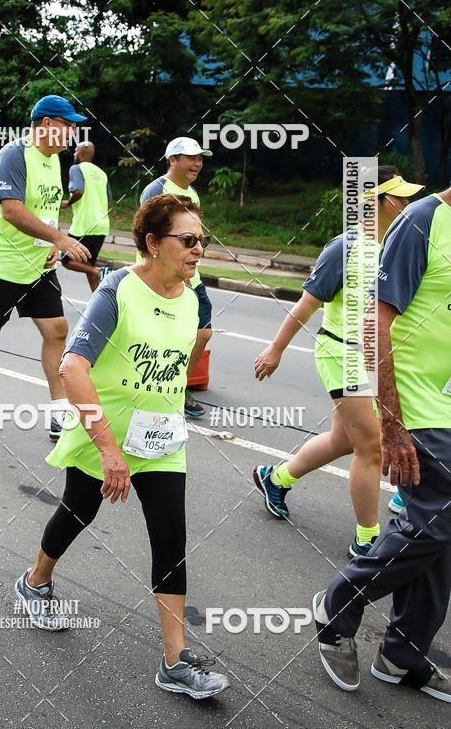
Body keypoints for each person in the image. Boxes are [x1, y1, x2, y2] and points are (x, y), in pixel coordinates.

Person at [14, 195, 230, 700]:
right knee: (78, 510)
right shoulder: (117, 290)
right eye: (188, 240)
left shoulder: (194, 294)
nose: (199, 249)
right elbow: (72, 367)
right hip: (102, 431)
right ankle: (35, 581)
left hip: (159, 438)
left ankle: (175, 660)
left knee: (171, 534)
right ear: (153, 244)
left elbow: (191, 351)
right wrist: (109, 448)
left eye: (202, 240)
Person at [313, 180, 451, 703]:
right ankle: (339, 603)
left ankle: (403, 652)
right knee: (435, 521)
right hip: (417, 404)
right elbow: (376, 323)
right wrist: (391, 421)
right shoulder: (422, 222)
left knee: (440, 530)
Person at [253, 167, 423, 557]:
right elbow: (306, 304)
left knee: (342, 441)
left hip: (377, 359)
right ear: (373, 203)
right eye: (400, 197)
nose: (408, 204)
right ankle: (367, 539)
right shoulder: (344, 248)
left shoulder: (401, 245)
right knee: (373, 446)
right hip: (341, 354)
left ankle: (274, 478)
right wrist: (276, 349)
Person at [0, 95, 91, 439]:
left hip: (40, 267)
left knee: (57, 330)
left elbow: (48, 209)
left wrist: (53, 244)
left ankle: (58, 414)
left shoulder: (55, 161)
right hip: (5, 264)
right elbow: (12, 210)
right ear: (49, 125)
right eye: (68, 126)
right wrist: (63, 239)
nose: (72, 133)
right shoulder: (14, 154)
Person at [139, 137, 213, 419]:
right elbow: (146, 237)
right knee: (157, 337)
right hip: (161, 276)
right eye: (191, 157)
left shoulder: (192, 193)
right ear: (172, 160)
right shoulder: (156, 190)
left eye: (200, 158)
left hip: (190, 276)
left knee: (202, 332)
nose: (197, 163)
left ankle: (177, 387)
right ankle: (153, 389)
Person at [59, 141, 112, 292]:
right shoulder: (102, 173)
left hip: (84, 225)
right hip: (102, 226)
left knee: (66, 259)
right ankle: (97, 303)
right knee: (88, 265)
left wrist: (68, 203)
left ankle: (100, 272)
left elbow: (79, 191)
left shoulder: (76, 169)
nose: (74, 154)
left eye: (75, 151)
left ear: (81, 154)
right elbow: (110, 202)